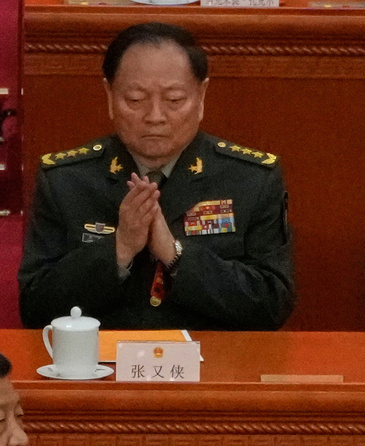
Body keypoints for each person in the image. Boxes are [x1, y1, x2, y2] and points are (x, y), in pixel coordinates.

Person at [18, 22, 294, 331]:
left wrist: (175, 256)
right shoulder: (66, 181)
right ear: (109, 95)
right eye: (135, 100)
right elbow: (35, 307)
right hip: (102, 359)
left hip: (211, 358)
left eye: (174, 100)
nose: (155, 116)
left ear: (201, 95)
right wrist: (119, 249)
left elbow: (272, 305)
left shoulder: (251, 179)